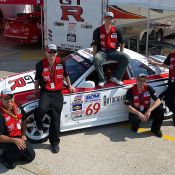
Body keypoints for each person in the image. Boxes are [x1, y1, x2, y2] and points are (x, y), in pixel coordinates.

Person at [34, 44, 75, 153]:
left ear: (56, 53)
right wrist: (35, 91)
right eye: (50, 51)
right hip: (45, 92)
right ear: (46, 52)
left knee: (56, 119)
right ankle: (38, 121)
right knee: (42, 109)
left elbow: (66, 75)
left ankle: (54, 143)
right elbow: (37, 79)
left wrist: (70, 86)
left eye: (54, 52)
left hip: (57, 93)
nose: (52, 54)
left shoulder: (61, 62)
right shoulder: (40, 64)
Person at [91, 11, 130, 87]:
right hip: (102, 52)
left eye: (110, 18)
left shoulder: (117, 30)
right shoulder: (97, 31)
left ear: (113, 20)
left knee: (127, 58)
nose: (109, 20)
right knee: (96, 59)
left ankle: (116, 78)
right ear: (104, 19)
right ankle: (102, 80)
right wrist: (94, 56)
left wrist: (121, 53)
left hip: (113, 52)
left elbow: (122, 43)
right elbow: (94, 45)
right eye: (107, 18)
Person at [0, 88, 35, 169]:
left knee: (30, 156)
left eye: (11, 97)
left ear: (14, 97)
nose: (9, 100)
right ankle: (5, 158)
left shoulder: (17, 106)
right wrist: (15, 140)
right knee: (19, 149)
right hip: (6, 140)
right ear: (1, 99)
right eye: (6, 98)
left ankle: (15, 154)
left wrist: (23, 134)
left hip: (18, 136)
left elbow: (24, 119)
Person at [125, 73, 164, 137]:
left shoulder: (148, 88)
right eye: (140, 80)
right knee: (133, 119)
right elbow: (128, 107)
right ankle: (135, 126)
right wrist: (139, 114)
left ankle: (155, 129)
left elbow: (158, 100)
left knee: (160, 109)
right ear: (136, 80)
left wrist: (149, 110)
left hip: (146, 109)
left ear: (146, 82)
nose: (142, 83)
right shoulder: (130, 90)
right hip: (136, 111)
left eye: (144, 81)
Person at [148, 46, 175, 125]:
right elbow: (165, 64)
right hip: (172, 81)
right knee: (168, 100)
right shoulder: (171, 55)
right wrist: (154, 63)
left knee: (166, 98)